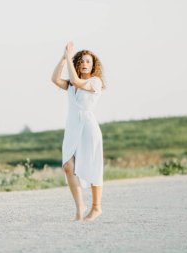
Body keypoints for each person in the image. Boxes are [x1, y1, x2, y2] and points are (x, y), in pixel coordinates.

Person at [51, 41, 106, 221]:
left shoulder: (94, 82)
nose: (84, 64)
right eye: (81, 61)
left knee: (93, 165)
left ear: (93, 65)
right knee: (68, 166)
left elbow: (75, 80)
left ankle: (96, 207)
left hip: (88, 127)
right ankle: (80, 206)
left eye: (88, 61)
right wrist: (63, 58)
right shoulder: (72, 86)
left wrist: (69, 55)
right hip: (73, 126)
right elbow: (55, 79)